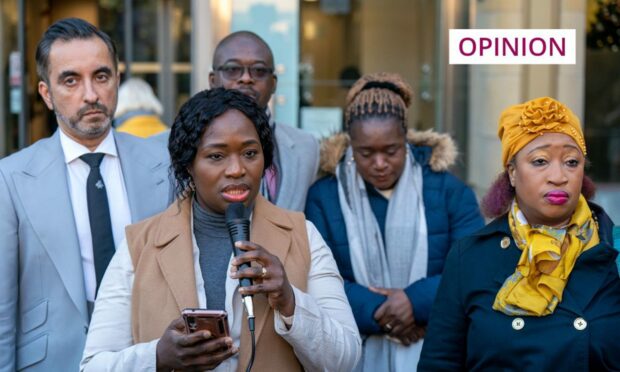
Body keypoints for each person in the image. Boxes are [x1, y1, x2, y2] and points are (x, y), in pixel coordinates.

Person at [80, 88, 361, 371]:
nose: (237, 169)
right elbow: (93, 365)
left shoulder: (303, 236)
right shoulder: (139, 247)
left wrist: (291, 302)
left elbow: (346, 359)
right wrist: (157, 357)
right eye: (216, 156)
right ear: (188, 164)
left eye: (250, 153)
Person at [0, 18, 171, 371]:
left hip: (152, 354)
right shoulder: (11, 178)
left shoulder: (164, 164)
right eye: (71, 80)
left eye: (101, 76)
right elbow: (2, 305)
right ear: (46, 94)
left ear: (117, 81)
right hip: (53, 362)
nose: (91, 94)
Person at [418, 97, 620, 371]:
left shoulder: (612, 248)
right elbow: (439, 363)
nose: (558, 176)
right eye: (540, 161)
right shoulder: (470, 257)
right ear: (512, 173)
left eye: (572, 162)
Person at [304, 72, 484, 371]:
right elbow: (315, 275)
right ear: (350, 146)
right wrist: (383, 313)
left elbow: (473, 268)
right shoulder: (324, 197)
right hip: (353, 351)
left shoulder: (450, 192)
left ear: (407, 140)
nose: (379, 163)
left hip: (438, 351)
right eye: (365, 153)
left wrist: (414, 302)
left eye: (391, 151)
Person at [208, 31, 319, 212]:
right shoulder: (179, 146)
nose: (246, 78)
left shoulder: (307, 147)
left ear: (273, 83)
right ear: (213, 80)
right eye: (232, 69)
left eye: (259, 71)